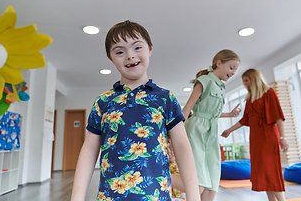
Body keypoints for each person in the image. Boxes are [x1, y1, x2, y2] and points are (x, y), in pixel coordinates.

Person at [71, 20, 200, 201]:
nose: (130, 56)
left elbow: (182, 147)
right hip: (111, 196)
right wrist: (76, 197)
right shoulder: (103, 102)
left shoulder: (166, 98)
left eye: (137, 47)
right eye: (120, 52)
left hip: (156, 196)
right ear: (110, 58)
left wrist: (194, 197)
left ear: (150, 49)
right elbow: (89, 149)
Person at [221, 68, 289, 201]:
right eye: (244, 81)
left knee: (271, 172)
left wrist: (283, 137)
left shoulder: (269, 93)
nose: (245, 83)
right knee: (263, 173)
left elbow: (278, 117)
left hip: (268, 137)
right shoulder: (250, 98)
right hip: (256, 139)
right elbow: (244, 120)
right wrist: (229, 130)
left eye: (247, 80)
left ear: (254, 78)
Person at [183, 49, 241, 201]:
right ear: (219, 63)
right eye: (231, 67)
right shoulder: (205, 81)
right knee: (199, 180)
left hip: (211, 132)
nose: (233, 72)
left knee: (213, 180)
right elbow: (188, 107)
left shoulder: (221, 87)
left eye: (235, 69)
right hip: (195, 131)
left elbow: (211, 113)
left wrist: (229, 115)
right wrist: (176, 134)